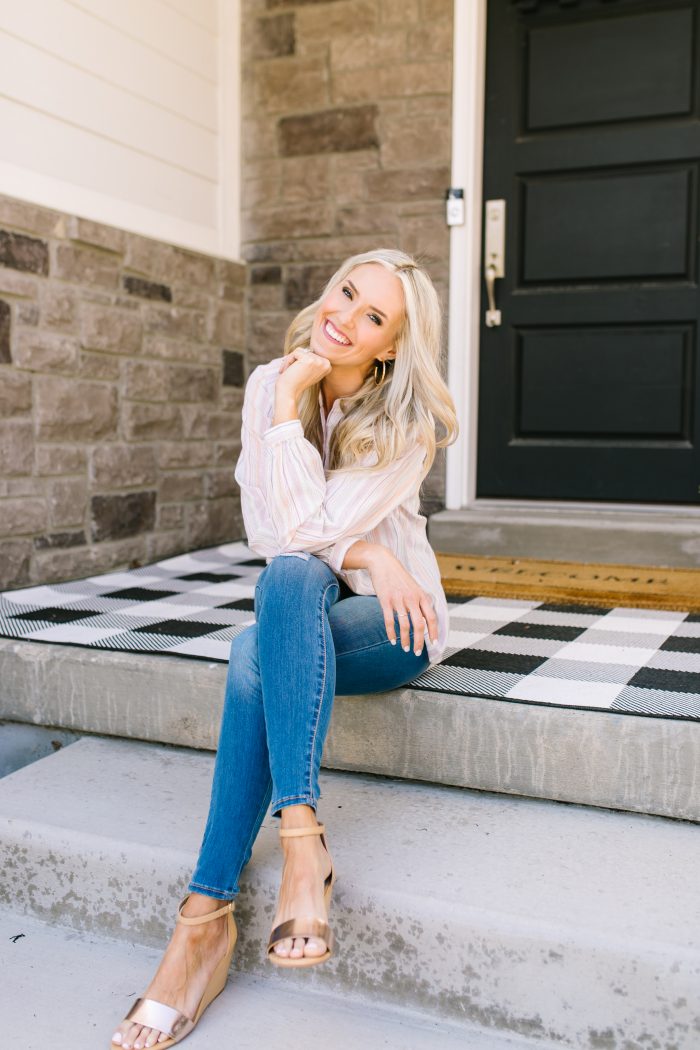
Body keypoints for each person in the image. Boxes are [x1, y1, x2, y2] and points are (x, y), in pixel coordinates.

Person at [110, 248, 458, 1049]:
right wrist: (360, 543)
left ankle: (203, 925)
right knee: (283, 598)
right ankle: (295, 846)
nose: (345, 316)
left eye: (374, 316)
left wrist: (368, 563)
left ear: (393, 346)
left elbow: (296, 535)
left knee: (267, 629)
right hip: (313, 605)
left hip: (396, 625)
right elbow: (271, 537)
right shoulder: (276, 380)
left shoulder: (407, 426)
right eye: (346, 293)